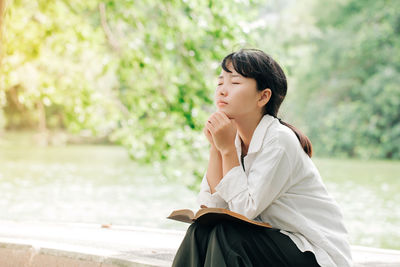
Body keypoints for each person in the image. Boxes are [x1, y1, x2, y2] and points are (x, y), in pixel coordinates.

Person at [172, 49, 352, 267]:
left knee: (227, 235)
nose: (222, 91)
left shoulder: (279, 140)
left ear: (263, 96)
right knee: (200, 230)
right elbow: (209, 207)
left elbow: (242, 211)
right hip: (268, 242)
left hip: (313, 252)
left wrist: (226, 150)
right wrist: (216, 148)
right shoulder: (233, 140)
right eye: (220, 83)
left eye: (235, 83)